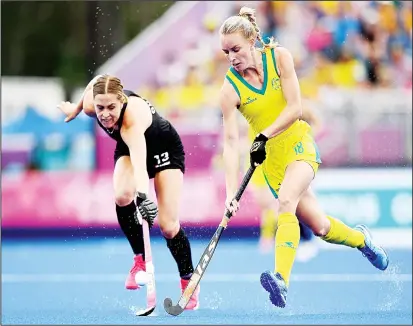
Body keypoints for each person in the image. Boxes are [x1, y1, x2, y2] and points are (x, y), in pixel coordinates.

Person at [218, 7, 389, 308]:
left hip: (298, 144)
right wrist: (231, 192)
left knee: (286, 200)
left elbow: (295, 108)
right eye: (226, 52)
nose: (231, 57)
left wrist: (262, 135)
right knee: (321, 227)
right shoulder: (229, 89)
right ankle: (362, 240)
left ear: (252, 39)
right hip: (271, 162)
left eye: (236, 49)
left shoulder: (279, 57)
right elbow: (231, 143)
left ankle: (281, 279)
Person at [57, 74, 200, 310]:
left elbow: (140, 163)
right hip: (129, 147)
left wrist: (143, 197)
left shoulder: (131, 120)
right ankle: (139, 261)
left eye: (111, 107)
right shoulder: (94, 106)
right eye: (100, 107)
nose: (105, 114)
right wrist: (77, 108)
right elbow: (96, 81)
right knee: (122, 195)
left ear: (121, 100)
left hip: (164, 150)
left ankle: (188, 282)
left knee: (168, 226)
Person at [250, 102, 322, 262]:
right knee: (289, 205)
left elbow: (316, 122)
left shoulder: (299, 106)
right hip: (287, 164)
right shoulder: (279, 112)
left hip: (303, 161)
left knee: (301, 205)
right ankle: (297, 240)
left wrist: (309, 136)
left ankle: (309, 238)